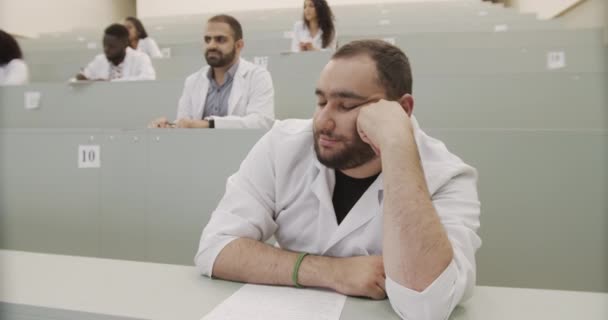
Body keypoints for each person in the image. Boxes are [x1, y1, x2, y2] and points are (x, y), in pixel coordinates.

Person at [195, 40, 481, 320]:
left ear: (402, 109)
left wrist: (395, 143)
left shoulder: (446, 176)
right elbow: (215, 248)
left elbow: (427, 305)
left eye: (346, 106)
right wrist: (334, 272)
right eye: (321, 101)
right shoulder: (282, 145)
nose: (323, 121)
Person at [149, 15, 274, 129]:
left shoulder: (258, 76)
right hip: (199, 151)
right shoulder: (193, 81)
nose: (211, 46)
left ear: (239, 45)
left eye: (220, 40)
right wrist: (169, 127)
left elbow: (261, 122)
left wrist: (210, 124)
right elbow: (185, 124)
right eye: (207, 39)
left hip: (244, 151)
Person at [75, 24, 156, 82]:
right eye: (104, 45)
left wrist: (111, 82)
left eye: (111, 46)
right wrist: (81, 78)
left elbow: (148, 79)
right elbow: (84, 75)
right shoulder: (100, 59)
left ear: (125, 44)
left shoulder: (140, 58)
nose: (106, 50)